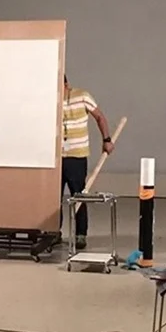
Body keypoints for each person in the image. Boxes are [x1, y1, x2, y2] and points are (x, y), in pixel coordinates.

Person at [61, 74, 113, 250]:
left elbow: (100, 117)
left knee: (79, 195)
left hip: (77, 156)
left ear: (66, 84)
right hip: (57, 158)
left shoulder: (82, 96)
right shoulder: (51, 99)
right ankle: (54, 232)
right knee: (54, 198)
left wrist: (107, 139)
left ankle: (81, 234)